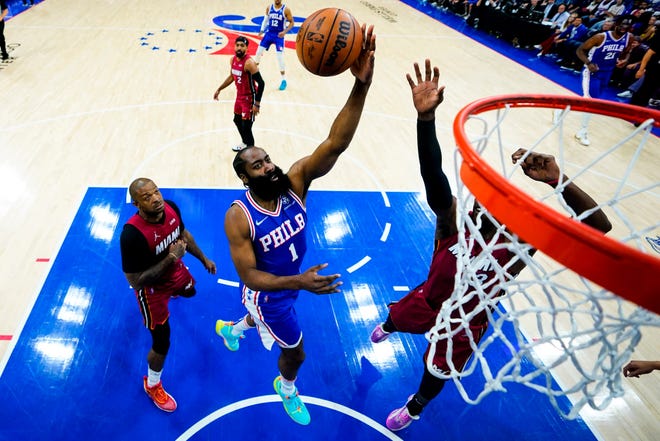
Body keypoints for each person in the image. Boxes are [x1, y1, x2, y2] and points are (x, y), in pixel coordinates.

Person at [370, 59, 612, 432]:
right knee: (397, 318)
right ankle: (389, 324)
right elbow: (432, 174)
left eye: (501, 201)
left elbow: (600, 226)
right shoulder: (452, 223)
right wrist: (425, 120)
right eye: (486, 197)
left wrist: (557, 180)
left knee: (436, 370)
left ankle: (416, 406)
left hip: (467, 320)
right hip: (428, 300)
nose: (489, 203)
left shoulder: (521, 243)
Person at [214, 24, 376, 426]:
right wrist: (298, 282)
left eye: (267, 159)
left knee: (263, 320)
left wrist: (361, 85)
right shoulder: (239, 215)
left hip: (289, 284)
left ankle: (234, 331)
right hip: (269, 294)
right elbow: (250, 276)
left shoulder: (296, 183)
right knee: (297, 351)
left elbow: (335, 142)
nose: (268, 166)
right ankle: (285, 387)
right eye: (257, 165)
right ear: (245, 177)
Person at [120, 178, 217, 412]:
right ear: (136, 204)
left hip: (174, 271)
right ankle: (152, 384)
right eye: (147, 197)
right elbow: (135, 282)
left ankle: (176, 290)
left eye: (157, 192)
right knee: (162, 342)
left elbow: (184, 234)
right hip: (151, 290)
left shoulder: (171, 206)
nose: (156, 199)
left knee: (191, 291)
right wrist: (172, 258)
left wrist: (203, 258)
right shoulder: (131, 235)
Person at [574, 15, 633, 146]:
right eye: (622, 24)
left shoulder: (629, 37)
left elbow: (626, 52)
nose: (624, 27)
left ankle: (560, 109)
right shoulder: (601, 37)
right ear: (616, 23)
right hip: (591, 72)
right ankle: (582, 132)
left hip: (608, 73)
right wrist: (589, 63)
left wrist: (624, 60)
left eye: (627, 25)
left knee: (585, 100)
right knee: (591, 102)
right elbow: (580, 50)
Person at [213, 36, 265, 152]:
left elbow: (261, 83)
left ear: (247, 48)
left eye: (242, 46)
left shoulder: (249, 63)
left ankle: (252, 153)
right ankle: (245, 143)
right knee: (237, 120)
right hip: (239, 97)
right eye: (237, 45)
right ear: (234, 46)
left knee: (247, 127)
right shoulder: (232, 60)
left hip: (250, 98)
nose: (239, 48)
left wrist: (256, 104)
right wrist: (219, 89)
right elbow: (232, 77)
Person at [255, 0, 294, 91]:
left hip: (279, 35)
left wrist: (284, 32)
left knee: (280, 58)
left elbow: (292, 23)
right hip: (269, 34)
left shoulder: (286, 10)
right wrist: (262, 29)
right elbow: (265, 20)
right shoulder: (269, 8)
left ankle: (284, 80)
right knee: (258, 54)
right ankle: (253, 77)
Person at [630, 31, 660, 108]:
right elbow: (649, 53)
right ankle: (633, 109)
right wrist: (641, 69)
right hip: (655, 68)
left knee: (651, 91)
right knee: (645, 90)